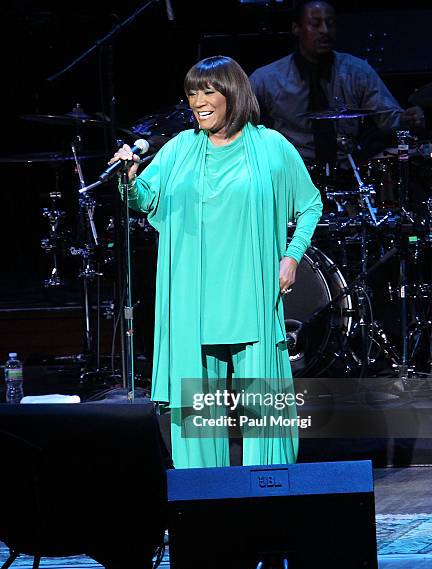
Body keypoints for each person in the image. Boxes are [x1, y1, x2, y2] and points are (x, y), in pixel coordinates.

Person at [109, 55, 322, 469]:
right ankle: (204, 503)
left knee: (264, 409)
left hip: (252, 293)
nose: (198, 102)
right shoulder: (180, 149)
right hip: (194, 298)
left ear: (233, 94)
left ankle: (272, 496)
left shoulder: (271, 147)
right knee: (199, 411)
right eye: (192, 93)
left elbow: (310, 204)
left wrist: (292, 257)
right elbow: (140, 200)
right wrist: (128, 177)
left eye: (207, 91)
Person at [249, 0, 424, 164]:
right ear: (296, 28)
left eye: (330, 24)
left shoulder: (357, 71)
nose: (325, 30)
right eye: (316, 24)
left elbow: (387, 117)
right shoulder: (267, 78)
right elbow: (240, 125)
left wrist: (407, 119)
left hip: (348, 168)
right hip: (291, 172)